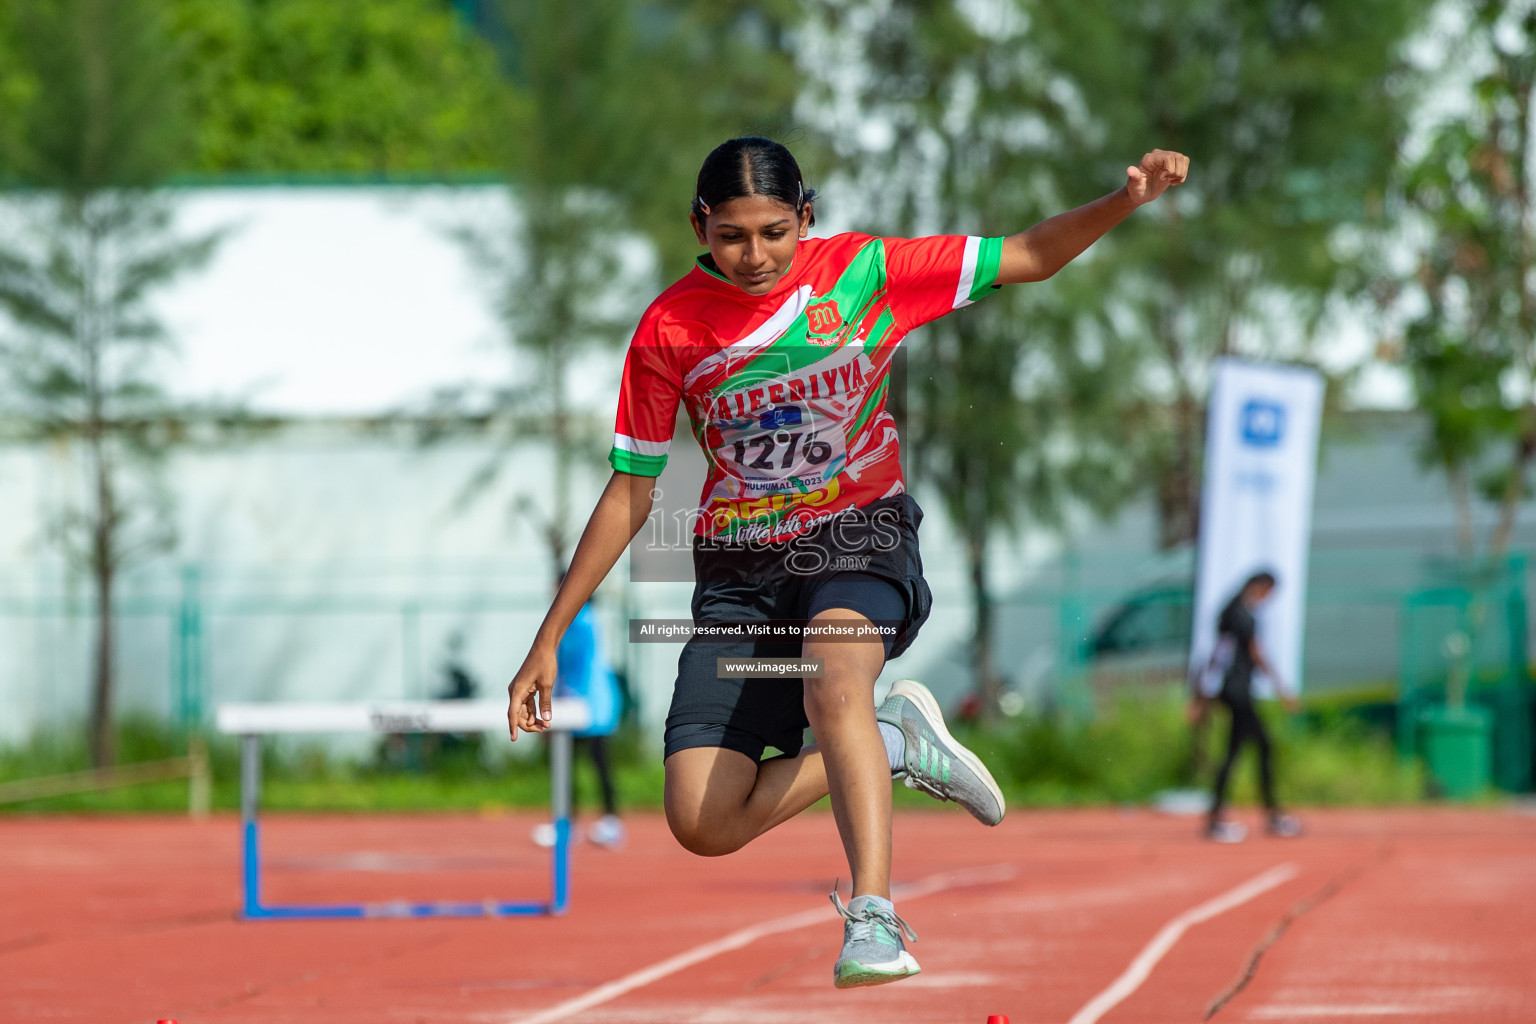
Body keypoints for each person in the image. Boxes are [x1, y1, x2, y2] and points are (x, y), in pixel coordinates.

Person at [507, 136, 1189, 988]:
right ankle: (892, 741)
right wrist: (549, 637)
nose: (754, 255)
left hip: (856, 534)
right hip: (740, 574)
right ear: (699, 226)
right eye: (731, 236)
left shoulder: (869, 273)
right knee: (702, 819)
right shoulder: (669, 328)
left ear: (807, 217)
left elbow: (1030, 255)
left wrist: (1124, 199)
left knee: (834, 673)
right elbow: (631, 491)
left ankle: (873, 914)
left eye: (773, 231)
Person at [1196, 571, 1303, 842]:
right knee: (1259, 747)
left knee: (1236, 751)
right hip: (1238, 692)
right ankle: (1268, 816)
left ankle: (1220, 816)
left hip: (1231, 691)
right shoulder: (1242, 614)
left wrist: (1202, 695)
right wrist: (1282, 689)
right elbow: (1254, 653)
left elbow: (1217, 654)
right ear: (1261, 587)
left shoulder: (1230, 610)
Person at [532, 577, 626, 849]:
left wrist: (565, 703)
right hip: (574, 704)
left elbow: (582, 665)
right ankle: (566, 824)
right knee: (567, 767)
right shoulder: (570, 620)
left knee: (599, 764)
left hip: (592, 706)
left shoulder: (583, 620)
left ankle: (610, 823)